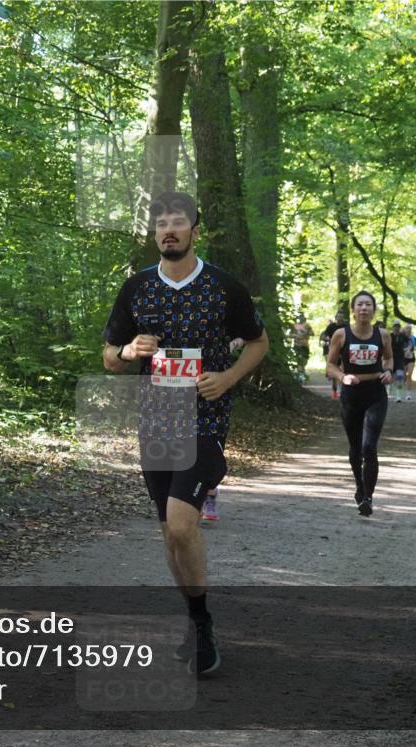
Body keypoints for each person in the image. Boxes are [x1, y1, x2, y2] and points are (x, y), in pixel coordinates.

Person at [103, 192, 268, 676]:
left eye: (178, 223)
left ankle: (201, 624)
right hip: (156, 423)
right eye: (161, 225)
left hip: (205, 422)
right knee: (170, 537)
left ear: (196, 231)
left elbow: (259, 342)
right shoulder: (136, 289)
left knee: (181, 524)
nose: (168, 231)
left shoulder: (223, 287)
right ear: (154, 234)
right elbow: (108, 356)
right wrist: (129, 351)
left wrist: (229, 378)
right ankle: (196, 620)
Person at [326, 290, 394, 517]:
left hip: (375, 394)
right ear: (353, 310)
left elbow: (389, 358)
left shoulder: (382, 335)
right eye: (360, 305)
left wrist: (388, 371)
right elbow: (330, 365)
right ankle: (359, 485)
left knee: (369, 446)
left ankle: (368, 498)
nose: (364, 308)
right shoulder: (341, 334)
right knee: (355, 447)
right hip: (351, 395)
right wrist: (342, 377)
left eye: (368, 305)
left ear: (374, 310)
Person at [200, 337, 244, 523]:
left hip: (214, 393)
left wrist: (228, 346)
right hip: (174, 391)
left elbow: (250, 337)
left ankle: (209, 494)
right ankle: (181, 501)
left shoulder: (226, 309)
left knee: (210, 450)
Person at [320, 310, 347, 399]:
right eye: (339, 317)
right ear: (336, 318)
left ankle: (343, 391)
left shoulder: (347, 327)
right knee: (335, 372)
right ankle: (334, 390)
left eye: (342, 317)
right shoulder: (331, 327)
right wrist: (328, 339)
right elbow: (323, 336)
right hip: (333, 351)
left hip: (344, 352)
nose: (340, 319)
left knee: (344, 371)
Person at [290, 313, 313, 382]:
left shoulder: (307, 325)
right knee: (298, 361)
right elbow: (290, 334)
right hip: (297, 345)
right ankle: (299, 377)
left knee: (304, 361)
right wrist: (295, 335)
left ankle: (302, 375)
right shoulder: (295, 325)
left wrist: (306, 332)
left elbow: (312, 333)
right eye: (299, 317)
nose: (301, 318)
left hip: (305, 345)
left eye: (302, 317)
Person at [389, 321, 408, 402]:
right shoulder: (389, 336)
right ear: (393, 327)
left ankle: (398, 396)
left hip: (400, 359)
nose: (396, 328)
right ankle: (387, 393)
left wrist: (407, 350)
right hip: (391, 359)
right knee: (389, 377)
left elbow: (408, 344)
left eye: (398, 326)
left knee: (399, 377)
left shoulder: (403, 336)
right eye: (395, 326)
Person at [402, 324, 416, 399]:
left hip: (411, 359)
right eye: (407, 328)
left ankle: (408, 394)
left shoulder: (414, 338)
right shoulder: (401, 338)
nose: (408, 329)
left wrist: (414, 348)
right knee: (403, 376)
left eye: (410, 328)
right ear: (404, 329)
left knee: (410, 375)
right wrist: (405, 350)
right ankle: (400, 392)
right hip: (403, 358)